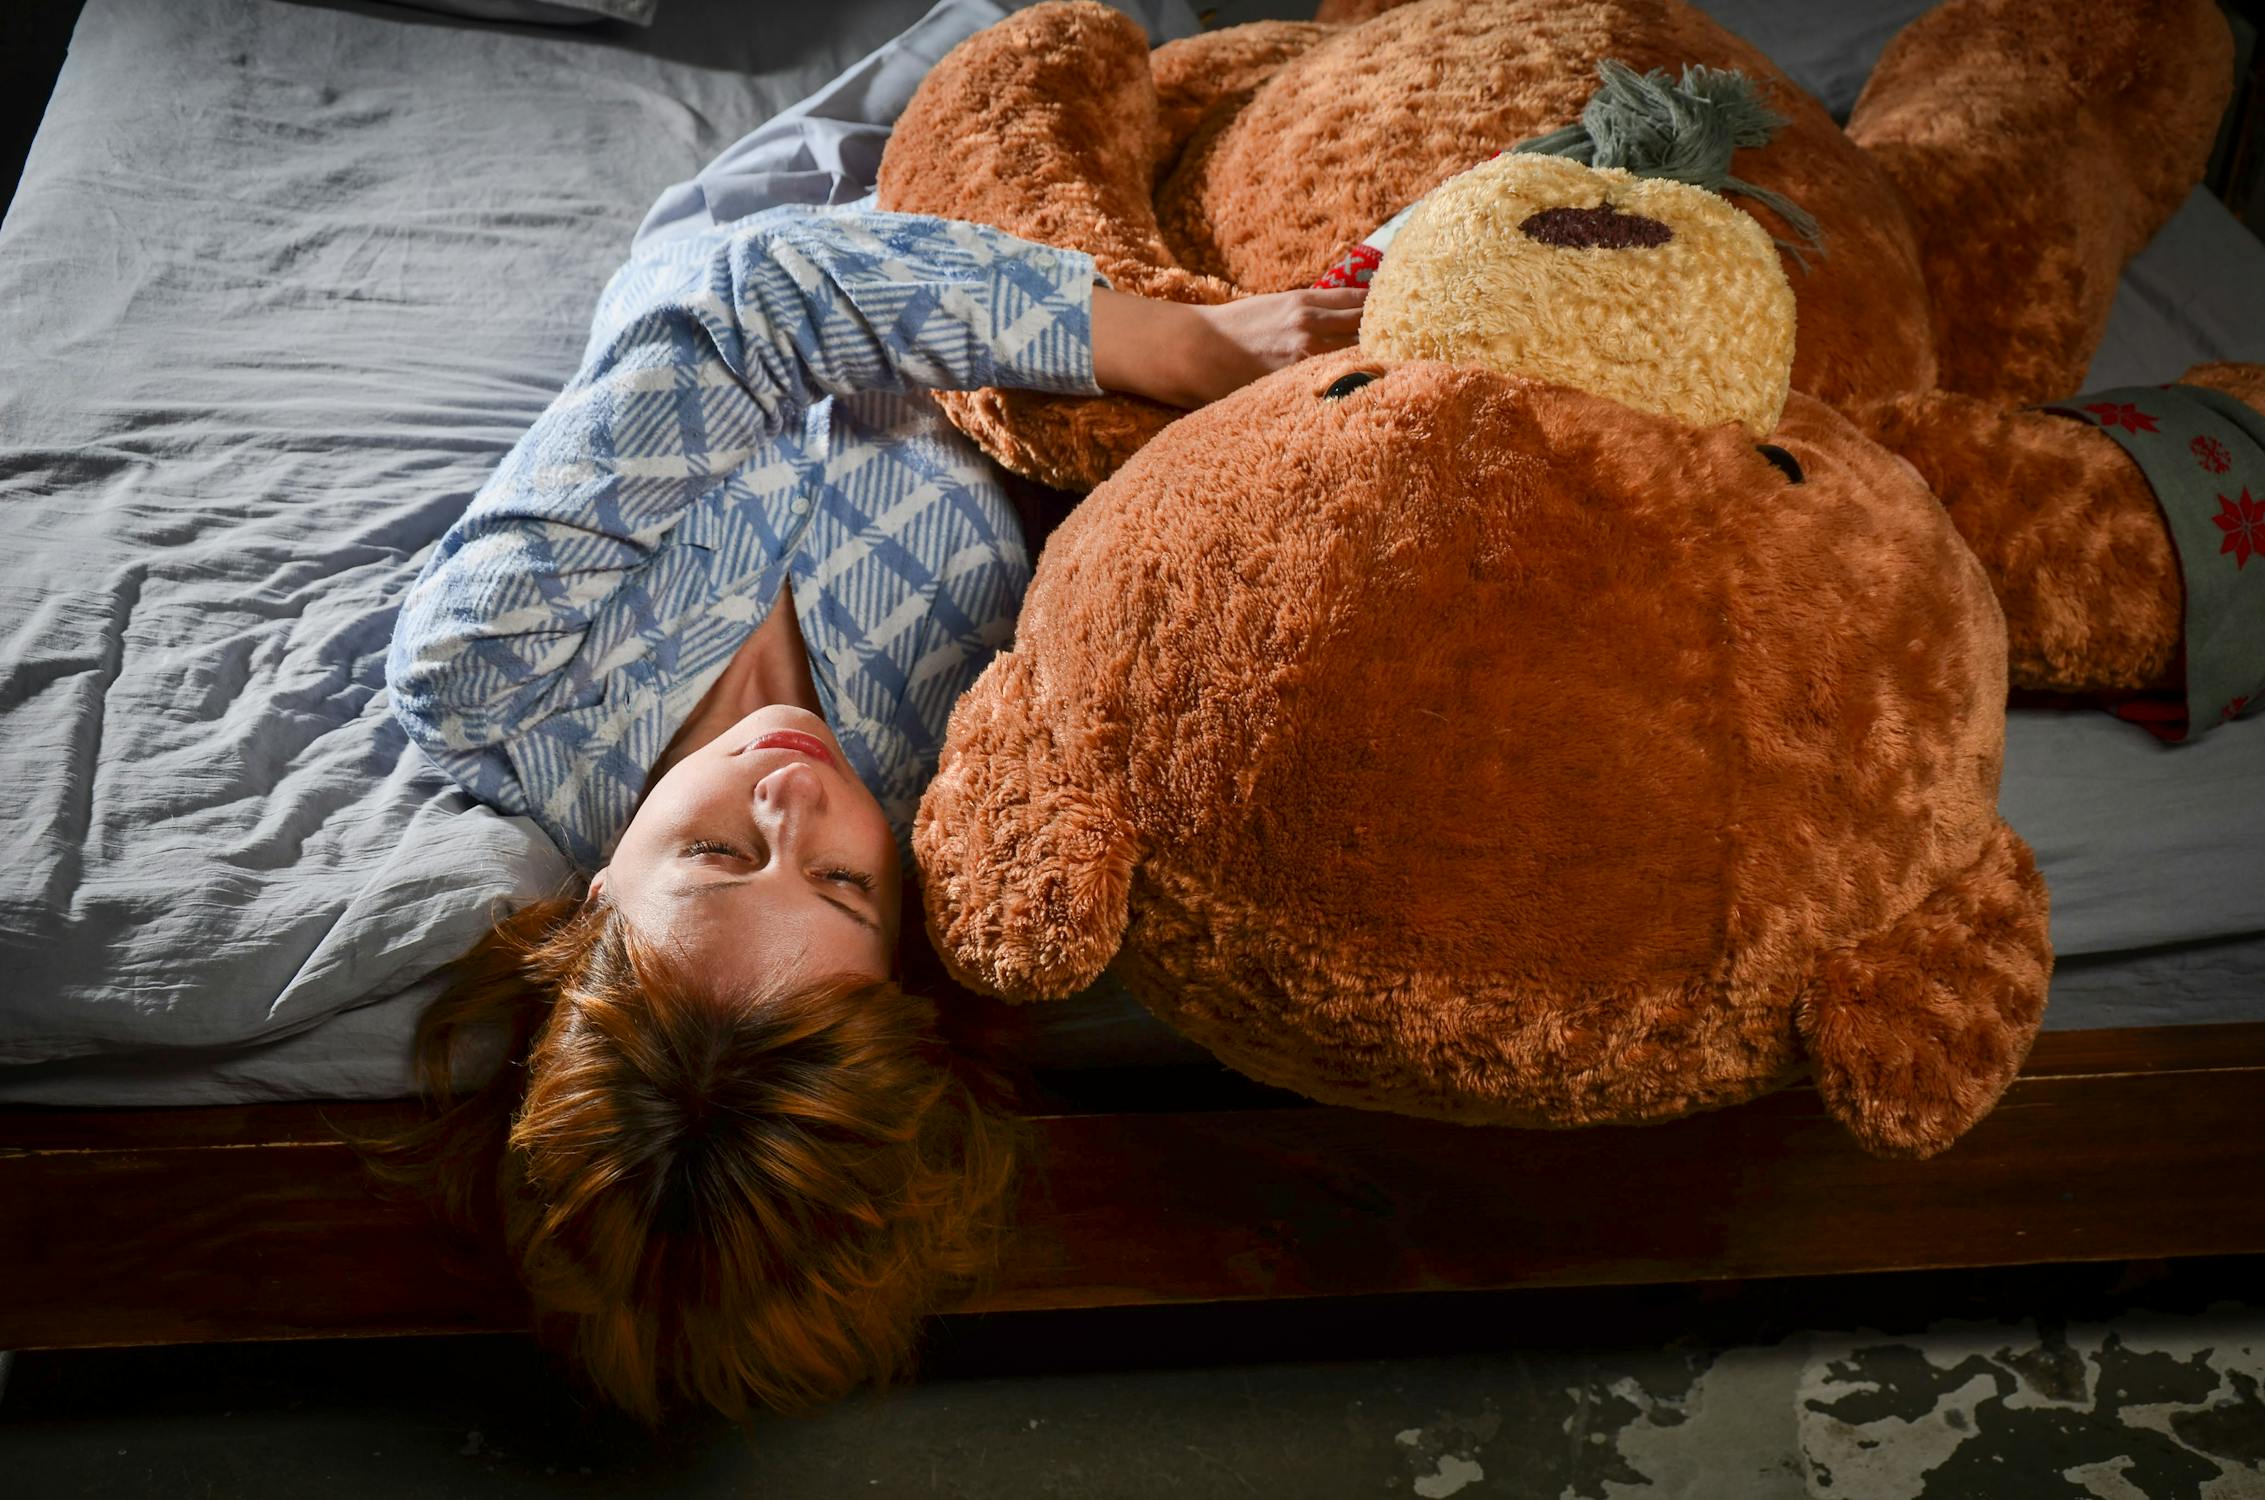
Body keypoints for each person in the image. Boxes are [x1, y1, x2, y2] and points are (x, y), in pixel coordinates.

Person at [381, 197, 1364, 1422]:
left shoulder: (491, 673)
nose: (796, 798)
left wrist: (1194, 344)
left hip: (805, 209)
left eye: (718, 852)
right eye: (840, 885)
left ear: (591, 905)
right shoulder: (964, 789)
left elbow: (765, 290)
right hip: (1054, 266)